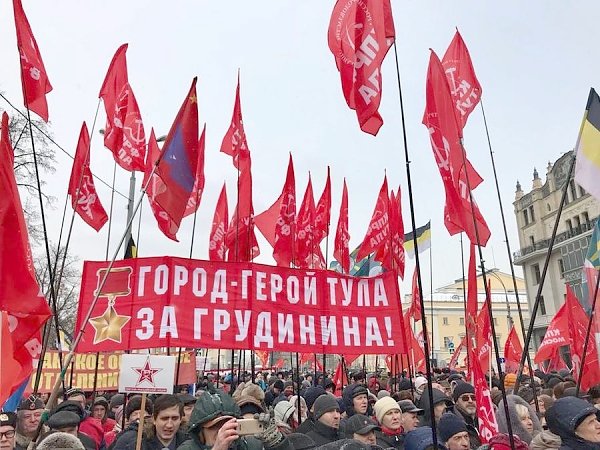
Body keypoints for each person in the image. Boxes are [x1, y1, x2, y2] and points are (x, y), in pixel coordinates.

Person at [177, 388, 288, 450]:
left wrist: (277, 444)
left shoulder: (250, 446)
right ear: (200, 430)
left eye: (229, 424)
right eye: (214, 426)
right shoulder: (187, 448)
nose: (223, 431)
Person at [450, 383, 480, 448]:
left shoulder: (484, 419)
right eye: (465, 398)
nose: (470, 401)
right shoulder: (451, 423)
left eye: (473, 397)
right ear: (456, 402)